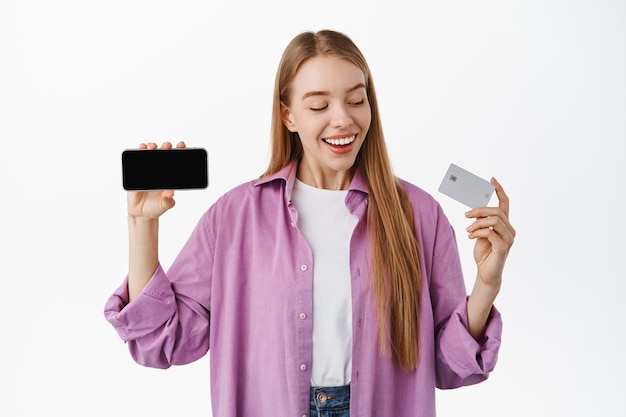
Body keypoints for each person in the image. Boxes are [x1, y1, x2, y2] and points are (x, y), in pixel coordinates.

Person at [104, 29, 515, 417]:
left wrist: (486, 286)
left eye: (356, 100)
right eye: (319, 105)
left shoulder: (418, 215)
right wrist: (142, 225)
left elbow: (452, 366)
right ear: (288, 116)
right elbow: (159, 342)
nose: (343, 120)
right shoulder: (235, 217)